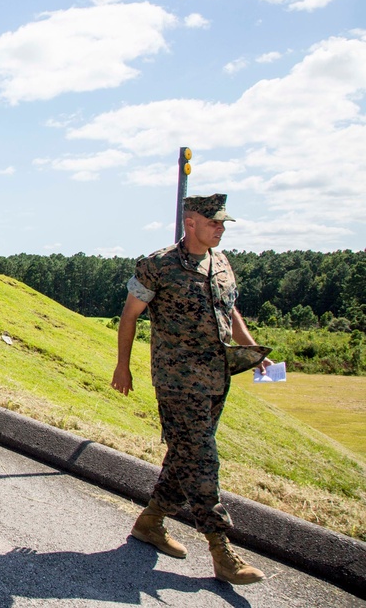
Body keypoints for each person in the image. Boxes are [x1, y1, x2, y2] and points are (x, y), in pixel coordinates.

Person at [111, 193, 270, 585]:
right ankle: (220, 549)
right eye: (214, 222)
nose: (220, 229)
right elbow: (129, 316)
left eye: (222, 223)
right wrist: (123, 365)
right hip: (178, 382)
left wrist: (250, 349)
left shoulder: (220, 262)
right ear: (191, 222)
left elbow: (228, 309)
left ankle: (150, 522)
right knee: (202, 460)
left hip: (217, 378)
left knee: (185, 456)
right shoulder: (157, 266)